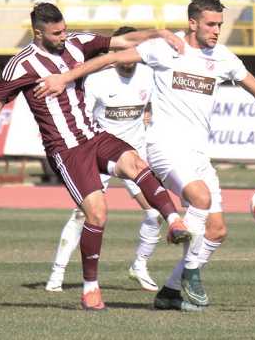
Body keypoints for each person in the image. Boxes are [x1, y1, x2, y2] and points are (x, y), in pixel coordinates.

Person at [35, 0, 255, 312]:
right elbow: (107, 60)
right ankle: (191, 271)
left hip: (198, 152)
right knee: (200, 199)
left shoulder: (224, 58)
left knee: (217, 230)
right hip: (164, 146)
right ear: (192, 23)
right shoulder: (165, 49)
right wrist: (65, 77)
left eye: (220, 25)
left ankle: (169, 291)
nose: (216, 31)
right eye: (211, 24)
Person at [0, 3, 192, 311]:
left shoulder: (78, 43)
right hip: (66, 150)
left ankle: (174, 221)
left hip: (94, 135)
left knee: (136, 163)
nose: (64, 36)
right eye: (57, 33)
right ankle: (90, 288)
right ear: (39, 33)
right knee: (97, 213)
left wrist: (160, 33)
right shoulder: (20, 65)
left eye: (65, 29)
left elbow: (125, 41)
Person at [45, 26, 177, 293]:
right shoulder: (97, 80)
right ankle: (57, 274)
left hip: (133, 155)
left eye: (131, 53)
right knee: (83, 215)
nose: (127, 58)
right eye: (121, 52)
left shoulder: (149, 76)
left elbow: (154, 104)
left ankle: (139, 266)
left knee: (154, 213)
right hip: (98, 152)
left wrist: (150, 117)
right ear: (113, 53)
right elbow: (80, 116)